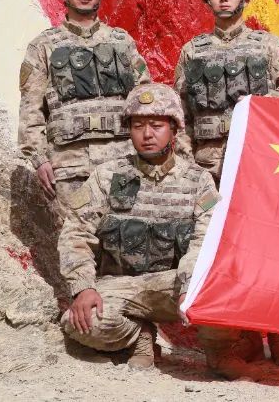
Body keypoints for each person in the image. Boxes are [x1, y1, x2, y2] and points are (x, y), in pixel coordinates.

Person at [58, 83, 262, 379]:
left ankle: (219, 352)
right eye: (138, 126)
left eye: (156, 125)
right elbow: (77, 233)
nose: (147, 134)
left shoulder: (198, 180)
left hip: (176, 284)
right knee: (79, 321)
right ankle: (138, 337)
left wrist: (190, 286)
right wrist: (83, 287)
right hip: (122, 286)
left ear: (174, 129)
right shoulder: (107, 176)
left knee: (220, 288)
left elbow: (205, 241)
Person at [173, 0, 279, 365]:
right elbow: (180, 114)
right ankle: (243, 334)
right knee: (224, 249)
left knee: (269, 247)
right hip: (210, 170)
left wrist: (253, 109)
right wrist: (187, 165)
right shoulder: (193, 52)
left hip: (257, 165)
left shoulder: (267, 46)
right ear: (208, 0)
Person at [18, 0, 151, 222]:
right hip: (70, 168)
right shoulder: (43, 46)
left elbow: (145, 100)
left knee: (127, 237)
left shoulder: (122, 43)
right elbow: (31, 110)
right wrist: (40, 159)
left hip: (123, 162)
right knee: (75, 239)